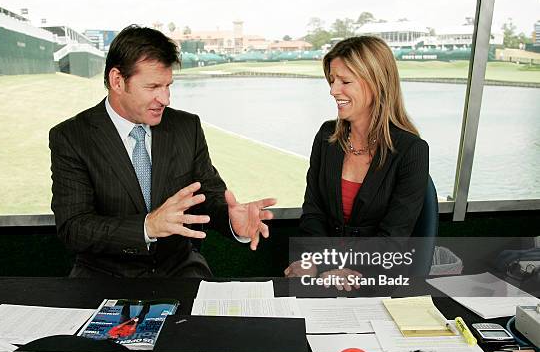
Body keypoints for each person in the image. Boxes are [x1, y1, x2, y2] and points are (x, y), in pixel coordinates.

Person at [50, 25, 276, 278]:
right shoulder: (71, 137)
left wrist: (231, 218)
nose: (165, 99)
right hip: (104, 277)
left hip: (180, 269)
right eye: (153, 87)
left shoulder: (186, 127)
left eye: (168, 85)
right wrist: (147, 227)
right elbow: (73, 227)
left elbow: (209, 195)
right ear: (117, 81)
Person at [285, 36, 429, 286]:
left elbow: (393, 239)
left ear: (376, 83)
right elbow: (313, 213)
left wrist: (340, 269)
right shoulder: (326, 137)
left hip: (377, 279)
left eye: (345, 81)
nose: (333, 90)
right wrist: (314, 264)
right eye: (332, 80)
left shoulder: (412, 150)